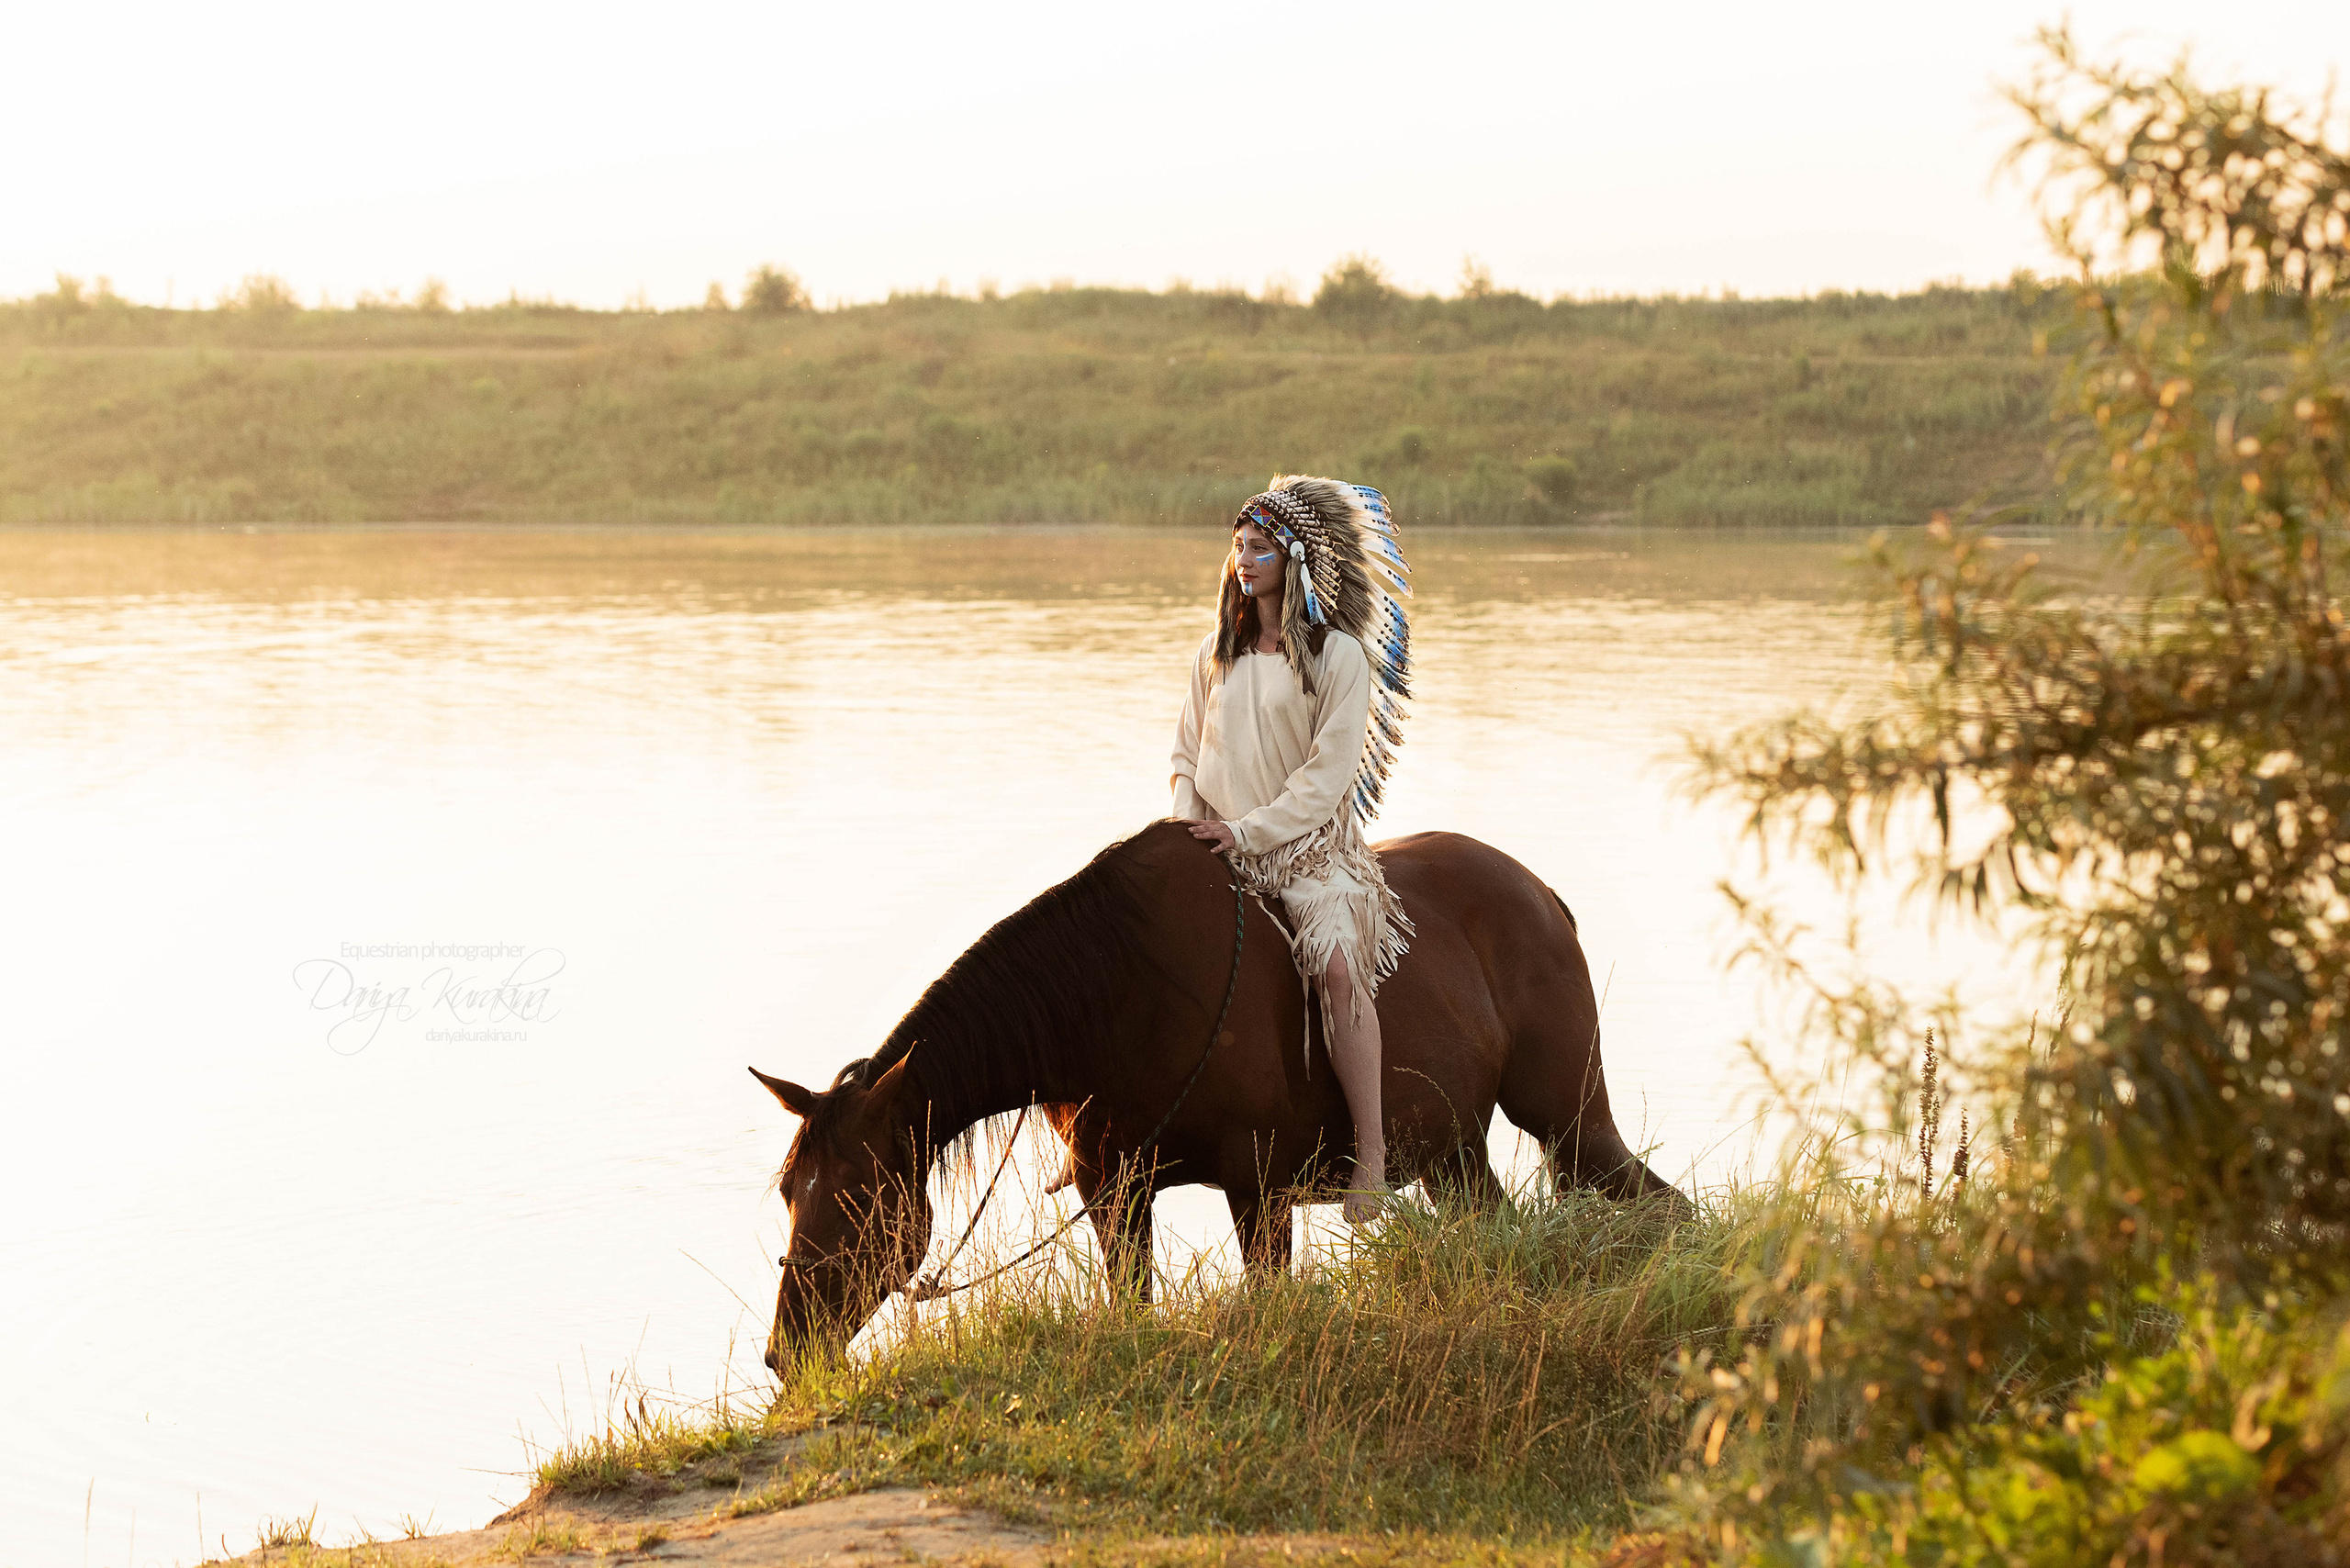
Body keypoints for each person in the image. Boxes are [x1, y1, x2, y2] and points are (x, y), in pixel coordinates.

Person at [1169, 475, 1415, 1226]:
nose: (1245, 560)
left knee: (1338, 969)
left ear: (1297, 558)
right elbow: (1185, 757)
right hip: (1214, 846)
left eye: (1261, 547)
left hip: (1311, 854)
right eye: (1239, 546)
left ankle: (1369, 1155)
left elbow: (1325, 778)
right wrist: (1189, 837)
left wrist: (1246, 832)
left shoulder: (1338, 659)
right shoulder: (1217, 653)